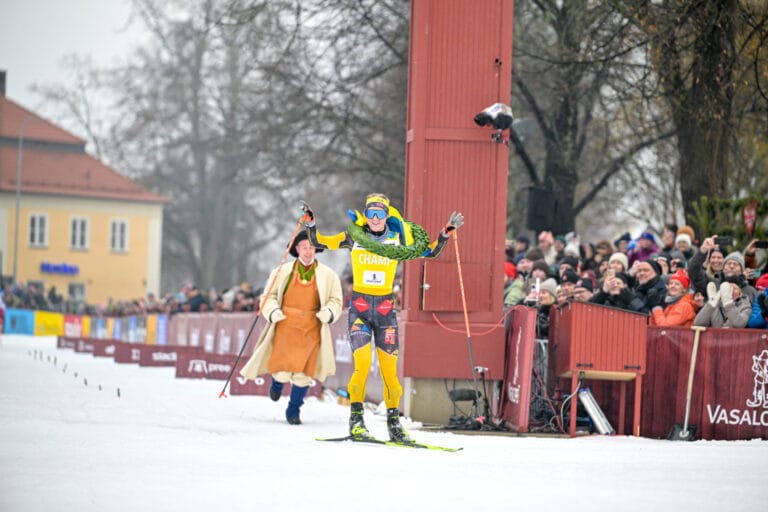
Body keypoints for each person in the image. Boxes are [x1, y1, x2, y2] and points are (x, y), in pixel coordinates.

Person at [304, 193, 463, 442]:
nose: (375, 218)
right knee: (363, 365)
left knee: (390, 373)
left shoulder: (398, 238)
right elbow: (320, 243)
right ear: (365, 215)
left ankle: (394, 426)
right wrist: (311, 224)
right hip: (360, 310)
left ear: (387, 215)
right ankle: (356, 422)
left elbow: (430, 253)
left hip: (386, 312)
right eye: (370, 213)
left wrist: (445, 233)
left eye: (380, 214)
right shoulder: (353, 237)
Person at [239, 231, 343, 425]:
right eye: (304, 247)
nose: (308, 251)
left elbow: (335, 300)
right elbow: (267, 296)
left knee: (304, 373)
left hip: (312, 327)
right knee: (283, 369)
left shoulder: (329, 275)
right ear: (296, 249)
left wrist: (328, 312)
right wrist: (272, 311)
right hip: (285, 324)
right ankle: (277, 384)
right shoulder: (281, 272)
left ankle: (294, 409)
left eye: (311, 247)